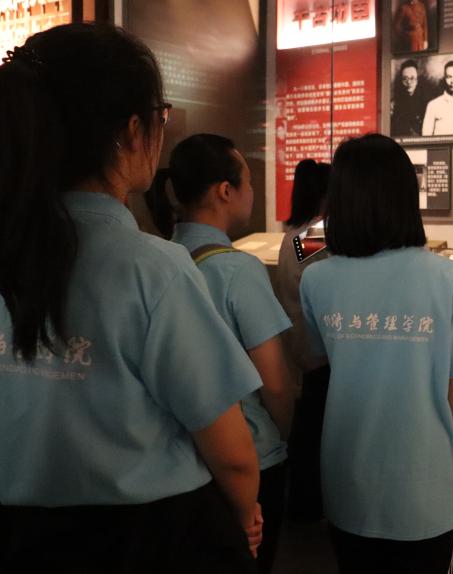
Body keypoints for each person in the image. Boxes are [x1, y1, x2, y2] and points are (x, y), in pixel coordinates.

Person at [0, 23, 262, 572]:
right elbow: (233, 453)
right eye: (160, 116)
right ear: (132, 130)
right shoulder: (153, 268)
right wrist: (243, 518)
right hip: (145, 541)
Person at [300, 134, 453, 573]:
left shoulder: (316, 280)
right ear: (406, 196)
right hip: (425, 485)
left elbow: (319, 368)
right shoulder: (451, 281)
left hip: (346, 479)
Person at [147, 134, 294, 574]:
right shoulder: (241, 268)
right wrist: (286, 435)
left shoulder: (156, 261)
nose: (252, 191)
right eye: (248, 181)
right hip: (249, 455)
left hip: (180, 458)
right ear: (225, 191)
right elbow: (275, 384)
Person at [276, 159, 332, 521]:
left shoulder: (293, 234)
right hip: (318, 348)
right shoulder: (314, 235)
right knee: (314, 425)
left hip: (303, 343)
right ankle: (308, 500)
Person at [390, 60, 429, 137]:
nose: (409, 82)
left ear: (417, 80)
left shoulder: (426, 102)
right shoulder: (394, 104)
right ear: (401, 81)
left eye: (412, 78)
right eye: (405, 79)